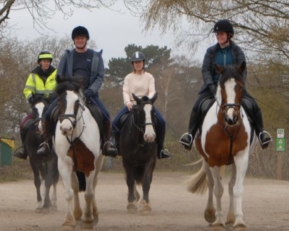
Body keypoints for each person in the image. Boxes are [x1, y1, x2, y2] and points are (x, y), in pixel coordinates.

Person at [179, 20, 272, 150]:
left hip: (233, 88)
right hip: (213, 88)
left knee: (253, 105)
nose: (219, 36)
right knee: (197, 106)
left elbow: (242, 70)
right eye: (217, 34)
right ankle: (190, 135)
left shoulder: (237, 51)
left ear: (229, 35)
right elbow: (205, 70)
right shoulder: (211, 52)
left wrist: (239, 84)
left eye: (221, 34)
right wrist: (210, 84)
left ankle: (261, 134)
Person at [36, 26, 118, 157]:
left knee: (106, 115)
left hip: (89, 94)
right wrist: (66, 89)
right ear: (74, 40)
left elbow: (99, 77)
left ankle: (107, 143)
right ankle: (46, 143)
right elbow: (60, 75)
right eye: (77, 38)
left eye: (82, 38)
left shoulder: (96, 56)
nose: (80, 40)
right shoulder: (67, 56)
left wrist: (91, 90)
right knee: (47, 114)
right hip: (69, 94)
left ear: (86, 39)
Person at [112, 51, 171, 159]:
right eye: (135, 62)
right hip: (132, 104)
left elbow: (152, 90)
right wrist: (128, 102)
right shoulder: (128, 77)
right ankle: (117, 147)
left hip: (146, 105)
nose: (138, 64)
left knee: (161, 121)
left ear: (143, 63)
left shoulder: (149, 77)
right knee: (115, 122)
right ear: (133, 64)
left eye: (139, 62)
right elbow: (125, 91)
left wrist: (147, 101)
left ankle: (161, 149)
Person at [14, 50, 57, 160]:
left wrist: (54, 97)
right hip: (38, 106)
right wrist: (32, 98)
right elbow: (27, 90)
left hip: (52, 105)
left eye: (48, 61)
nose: (46, 63)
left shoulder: (56, 73)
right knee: (24, 123)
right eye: (44, 61)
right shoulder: (33, 75)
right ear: (40, 62)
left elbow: (60, 89)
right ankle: (24, 150)